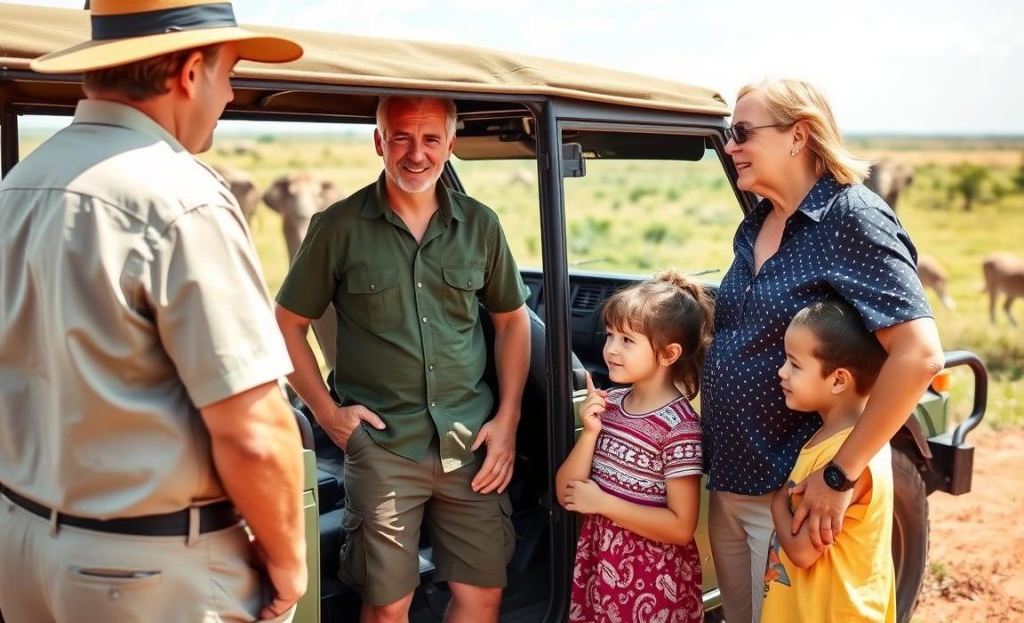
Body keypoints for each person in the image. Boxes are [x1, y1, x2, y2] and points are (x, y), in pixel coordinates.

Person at [0, 0, 307, 623]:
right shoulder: (183, 198)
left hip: (21, 550)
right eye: (228, 75)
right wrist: (288, 562)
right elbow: (254, 429)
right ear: (188, 71)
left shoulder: (19, 185)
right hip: (145, 572)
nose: (228, 96)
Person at [274, 95, 531, 623]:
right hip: (384, 447)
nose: (417, 154)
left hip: (472, 443)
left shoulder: (481, 225)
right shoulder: (337, 226)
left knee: (482, 596)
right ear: (379, 142)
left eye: (431, 139)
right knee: (388, 606)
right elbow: (286, 325)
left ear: (450, 145)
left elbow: (512, 320)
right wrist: (327, 414)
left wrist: (508, 421)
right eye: (401, 137)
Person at [700, 77, 944, 622]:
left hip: (796, 492)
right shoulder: (758, 220)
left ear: (799, 135)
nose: (730, 146)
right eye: (726, 133)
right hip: (733, 483)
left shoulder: (851, 217)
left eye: (740, 132)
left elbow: (919, 353)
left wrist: (839, 476)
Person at [556, 270, 712, 623]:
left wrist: (602, 503)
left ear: (669, 354)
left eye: (627, 340)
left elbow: (680, 526)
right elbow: (566, 492)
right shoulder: (609, 404)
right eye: (610, 335)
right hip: (603, 571)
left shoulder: (679, 428)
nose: (610, 349)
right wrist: (590, 433)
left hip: (653, 584)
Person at [762, 300, 895, 622]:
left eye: (794, 364)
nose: (781, 371)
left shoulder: (843, 458)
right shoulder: (847, 441)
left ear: (838, 380)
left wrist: (777, 503)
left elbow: (803, 551)